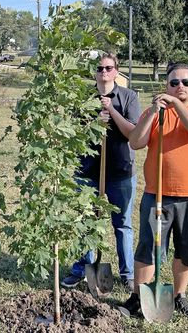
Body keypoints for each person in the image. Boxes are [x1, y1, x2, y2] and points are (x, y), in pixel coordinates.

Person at [119, 63, 188, 320]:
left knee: (186, 251)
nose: (179, 87)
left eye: (185, 82)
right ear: (167, 86)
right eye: (174, 83)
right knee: (148, 248)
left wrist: (177, 106)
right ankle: (137, 297)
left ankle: (179, 296)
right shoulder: (157, 114)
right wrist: (153, 111)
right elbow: (136, 141)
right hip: (158, 196)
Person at [61, 53, 140, 292]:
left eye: (108, 68)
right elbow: (73, 135)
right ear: (95, 72)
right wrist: (95, 120)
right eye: (99, 68)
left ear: (116, 71)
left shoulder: (129, 97)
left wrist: (112, 113)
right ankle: (83, 268)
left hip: (120, 172)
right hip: (87, 173)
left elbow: (133, 134)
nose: (103, 72)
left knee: (123, 224)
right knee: (84, 222)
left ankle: (127, 274)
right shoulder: (84, 99)